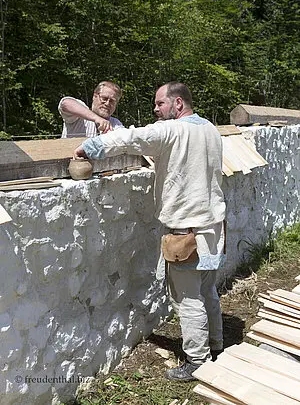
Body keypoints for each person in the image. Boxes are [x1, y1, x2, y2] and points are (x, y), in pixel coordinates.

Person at [74, 82, 226, 381]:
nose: (156, 109)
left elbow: (131, 138)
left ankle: (198, 361)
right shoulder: (210, 129)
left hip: (186, 233)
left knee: (187, 298)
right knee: (207, 290)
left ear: (178, 104)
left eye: (160, 104)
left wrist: (88, 147)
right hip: (213, 227)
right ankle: (217, 344)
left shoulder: (172, 130)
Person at [58, 80, 124, 138]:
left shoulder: (116, 124)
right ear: (94, 96)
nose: (107, 103)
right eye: (104, 98)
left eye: (112, 101)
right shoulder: (80, 113)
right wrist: (97, 119)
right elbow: (65, 103)